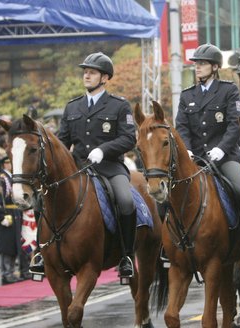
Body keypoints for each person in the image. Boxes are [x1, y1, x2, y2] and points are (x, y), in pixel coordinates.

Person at [52, 52, 137, 283]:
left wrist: (104, 149)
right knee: (46, 197)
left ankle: (127, 257)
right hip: (78, 169)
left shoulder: (119, 105)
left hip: (109, 168)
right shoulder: (72, 107)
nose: (86, 75)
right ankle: (43, 253)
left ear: (105, 77)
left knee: (126, 201)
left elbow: (129, 139)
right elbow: (62, 142)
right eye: (85, 72)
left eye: (92, 72)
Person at [176, 43, 240, 257]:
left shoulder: (228, 90)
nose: (197, 67)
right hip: (195, 158)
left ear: (215, 67)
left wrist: (221, 149)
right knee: (170, 193)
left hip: (224, 157)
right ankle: (167, 243)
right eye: (196, 63)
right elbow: (181, 126)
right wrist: (187, 149)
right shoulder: (187, 95)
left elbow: (235, 125)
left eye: (203, 63)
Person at [0, 156, 26, 284]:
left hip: (14, 213)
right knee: (6, 247)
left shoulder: (9, 177)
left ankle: (11, 271)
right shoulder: (1, 179)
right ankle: (6, 273)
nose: (10, 164)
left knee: (13, 246)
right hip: (7, 215)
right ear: (4, 164)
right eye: (7, 162)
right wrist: (3, 215)